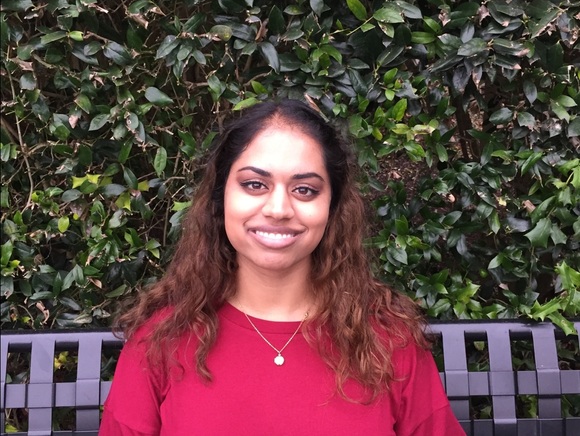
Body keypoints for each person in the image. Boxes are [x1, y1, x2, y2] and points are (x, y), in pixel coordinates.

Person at [99, 98, 465, 435]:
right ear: (221, 197)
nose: (278, 209)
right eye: (254, 184)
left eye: (304, 189)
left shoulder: (388, 339)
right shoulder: (160, 339)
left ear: (332, 206)